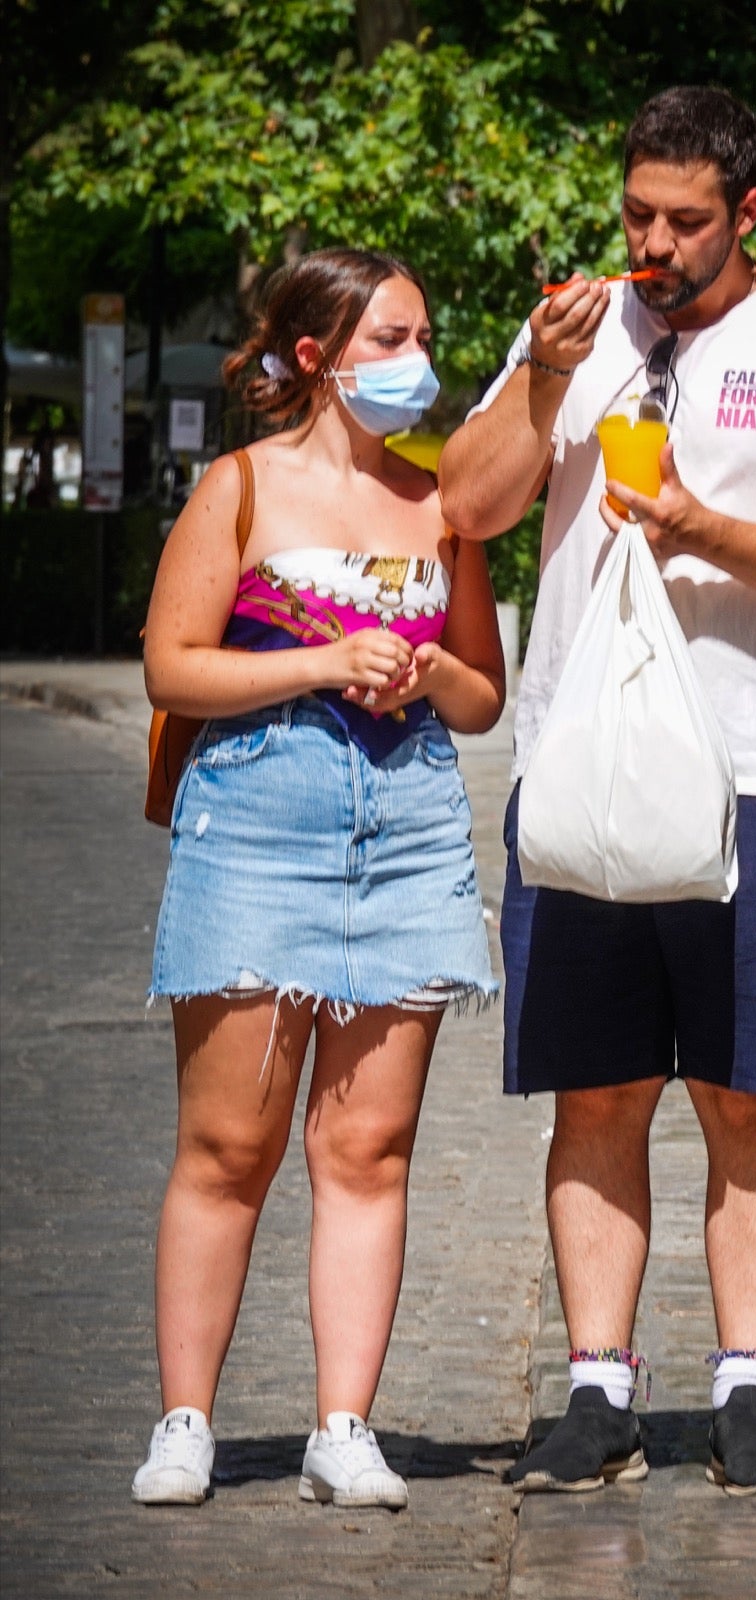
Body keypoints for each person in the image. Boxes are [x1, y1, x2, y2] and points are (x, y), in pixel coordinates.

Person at [437, 86, 756, 1496]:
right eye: (637, 212)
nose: (653, 243)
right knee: (596, 1088)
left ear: (745, 212)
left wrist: (704, 527)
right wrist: (534, 373)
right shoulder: (574, 338)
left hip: (755, 765)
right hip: (583, 769)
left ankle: (747, 1393)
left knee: (742, 1090)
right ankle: (595, 1391)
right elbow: (467, 505)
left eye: (685, 221)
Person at [134, 248, 504, 1510]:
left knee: (370, 1144)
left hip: (403, 818)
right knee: (229, 1141)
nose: (418, 362)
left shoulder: (442, 501)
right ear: (317, 357)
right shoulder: (237, 490)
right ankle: (186, 1420)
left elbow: (482, 689)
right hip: (258, 818)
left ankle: (343, 1426)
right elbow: (173, 668)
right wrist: (315, 661)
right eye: (392, 339)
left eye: (423, 334)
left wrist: (418, 675)